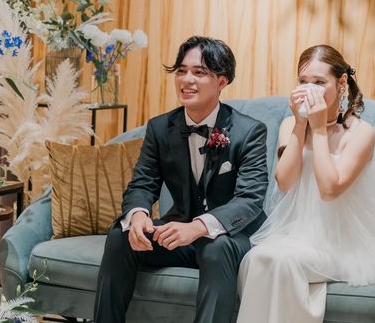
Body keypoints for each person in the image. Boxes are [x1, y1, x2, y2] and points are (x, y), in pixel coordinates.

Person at [237, 44, 375, 323]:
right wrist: (301, 125)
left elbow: (329, 190)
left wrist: (319, 130)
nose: (309, 90)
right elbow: (285, 183)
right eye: (303, 82)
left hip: (345, 245)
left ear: (341, 83)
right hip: (296, 235)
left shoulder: (361, 133)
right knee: (257, 258)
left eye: (319, 82)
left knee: (283, 262)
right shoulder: (290, 126)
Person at [94, 36, 269, 323]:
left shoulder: (249, 131)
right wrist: (138, 216)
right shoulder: (160, 128)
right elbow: (143, 183)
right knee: (120, 235)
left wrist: (199, 227)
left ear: (222, 81)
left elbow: (250, 199)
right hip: (180, 233)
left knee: (216, 247)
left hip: (231, 237)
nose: (187, 80)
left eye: (199, 72)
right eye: (181, 71)